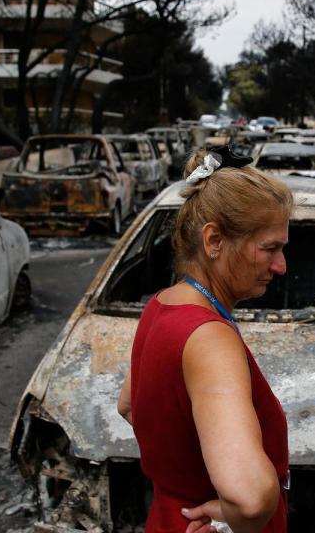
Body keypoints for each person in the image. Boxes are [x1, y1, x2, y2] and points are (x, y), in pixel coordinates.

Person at [117, 147, 293, 533]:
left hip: (168, 518)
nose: (281, 266)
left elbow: (128, 405)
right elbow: (249, 497)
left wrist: (183, 473)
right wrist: (232, 517)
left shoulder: (161, 306)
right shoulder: (210, 339)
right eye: (270, 248)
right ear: (214, 240)